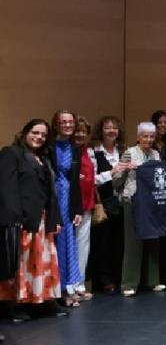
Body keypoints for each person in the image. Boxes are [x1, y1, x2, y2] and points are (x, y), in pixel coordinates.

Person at [0, 119, 67, 320]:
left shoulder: (43, 159)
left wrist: (55, 218)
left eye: (43, 135)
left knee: (39, 264)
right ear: (25, 132)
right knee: (18, 264)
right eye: (34, 132)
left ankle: (40, 302)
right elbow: (7, 187)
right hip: (21, 219)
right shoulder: (11, 154)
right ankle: (9, 305)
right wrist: (14, 219)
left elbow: (50, 193)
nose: (38, 137)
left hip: (41, 219)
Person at [116, 122, 166, 296]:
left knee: (153, 240)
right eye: (145, 136)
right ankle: (129, 284)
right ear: (138, 137)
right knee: (133, 243)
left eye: (152, 136)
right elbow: (116, 179)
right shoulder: (129, 153)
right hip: (133, 200)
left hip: (152, 203)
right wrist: (125, 170)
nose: (148, 139)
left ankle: (152, 280)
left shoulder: (155, 154)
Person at [48, 111, 83, 304]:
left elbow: (75, 180)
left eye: (70, 122)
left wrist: (77, 208)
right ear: (56, 124)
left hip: (67, 197)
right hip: (52, 195)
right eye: (63, 122)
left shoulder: (75, 147)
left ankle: (66, 287)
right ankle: (54, 289)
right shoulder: (48, 146)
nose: (67, 125)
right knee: (55, 242)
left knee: (68, 242)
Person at [88, 115, 124, 292]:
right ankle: (104, 279)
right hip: (103, 202)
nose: (112, 131)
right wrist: (112, 172)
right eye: (108, 127)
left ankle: (117, 277)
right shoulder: (93, 152)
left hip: (121, 202)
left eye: (115, 127)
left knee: (118, 242)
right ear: (100, 131)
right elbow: (91, 179)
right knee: (102, 242)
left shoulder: (123, 150)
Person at [72, 115, 97, 301]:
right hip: (70, 206)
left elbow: (93, 179)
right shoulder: (66, 151)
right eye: (77, 131)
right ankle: (69, 287)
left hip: (86, 205)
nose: (80, 134)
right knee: (69, 246)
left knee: (83, 246)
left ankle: (79, 285)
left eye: (83, 132)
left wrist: (113, 172)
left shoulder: (88, 152)